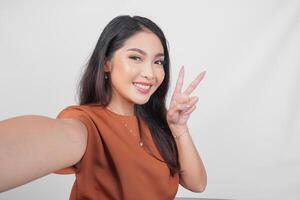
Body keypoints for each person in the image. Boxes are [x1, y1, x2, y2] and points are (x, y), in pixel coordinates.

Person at [0, 15, 207, 199]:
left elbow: (197, 185)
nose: (151, 74)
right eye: (136, 57)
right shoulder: (87, 124)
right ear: (107, 62)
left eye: (158, 62)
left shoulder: (158, 121)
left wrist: (179, 128)